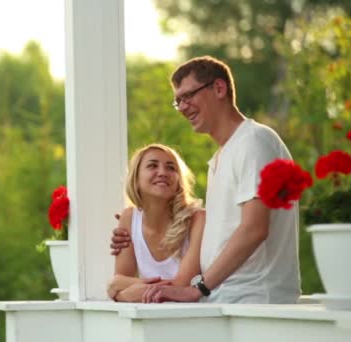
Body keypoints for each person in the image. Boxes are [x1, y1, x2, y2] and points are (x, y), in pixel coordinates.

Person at [111, 56, 301, 304]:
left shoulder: (254, 141)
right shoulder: (220, 159)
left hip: (255, 300)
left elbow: (254, 228)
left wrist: (197, 288)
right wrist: (141, 227)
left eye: (188, 96)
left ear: (219, 89)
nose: (183, 107)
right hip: (226, 300)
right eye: (178, 101)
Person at [107, 143, 205, 302]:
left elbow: (181, 287)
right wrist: (119, 287)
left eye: (171, 168)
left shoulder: (197, 219)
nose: (162, 172)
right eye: (152, 165)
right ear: (136, 179)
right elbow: (120, 286)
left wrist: (118, 286)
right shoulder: (129, 218)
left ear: (178, 180)